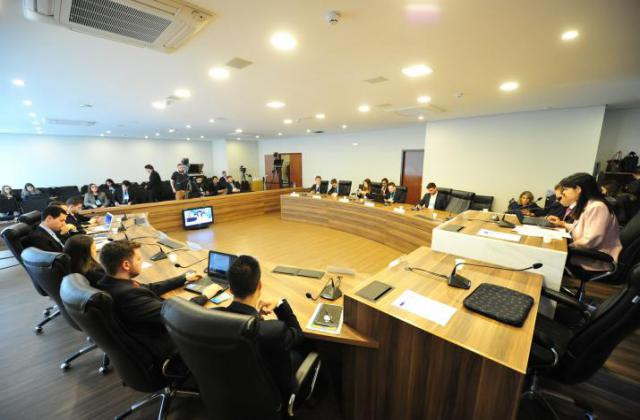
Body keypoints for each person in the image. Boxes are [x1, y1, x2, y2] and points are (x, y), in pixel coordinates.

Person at [96, 240, 223, 370]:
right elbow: (178, 314)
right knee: (217, 323)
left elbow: (150, 288)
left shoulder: (109, 283)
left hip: (144, 335)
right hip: (163, 349)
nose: (142, 261)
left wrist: (184, 278)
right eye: (139, 259)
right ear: (126, 265)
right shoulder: (128, 296)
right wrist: (206, 295)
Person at [216, 255, 306, 399]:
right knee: (304, 349)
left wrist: (256, 316)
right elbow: (298, 335)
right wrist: (279, 304)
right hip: (268, 400)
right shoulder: (274, 330)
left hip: (226, 393)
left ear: (230, 289)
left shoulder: (213, 317)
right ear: (259, 285)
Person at [547, 173, 622, 271]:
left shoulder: (597, 207)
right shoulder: (590, 205)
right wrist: (563, 224)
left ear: (578, 189)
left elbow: (591, 240)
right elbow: (581, 229)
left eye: (565, 189)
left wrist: (564, 247)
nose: (563, 192)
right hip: (586, 253)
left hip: (594, 260)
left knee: (546, 256)